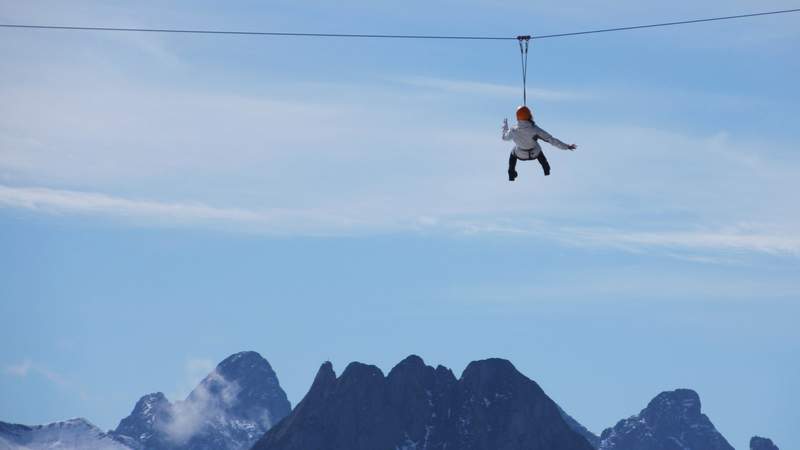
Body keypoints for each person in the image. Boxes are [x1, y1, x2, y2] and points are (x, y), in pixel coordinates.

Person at [502, 106, 576, 181]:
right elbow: (551, 140)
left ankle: (511, 174)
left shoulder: (513, 130)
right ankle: (546, 169)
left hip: (520, 154)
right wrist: (567, 146)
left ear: (517, 117)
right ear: (529, 116)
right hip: (535, 153)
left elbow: (504, 138)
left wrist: (505, 127)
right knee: (537, 147)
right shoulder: (535, 129)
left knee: (513, 153)